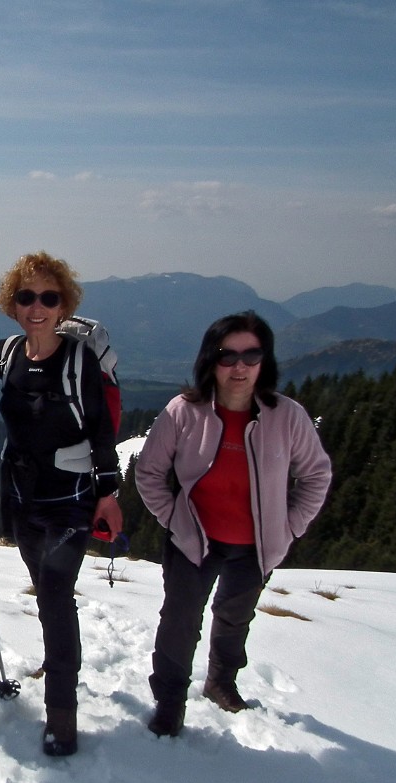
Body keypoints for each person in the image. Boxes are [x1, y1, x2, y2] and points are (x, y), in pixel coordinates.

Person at [0, 254, 121, 757]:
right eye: (26, 297)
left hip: (70, 502)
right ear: (12, 304)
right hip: (23, 500)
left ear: (63, 305)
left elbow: (101, 432)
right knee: (47, 591)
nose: (37, 307)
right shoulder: (10, 353)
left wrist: (109, 495)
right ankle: (58, 661)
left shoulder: (80, 361)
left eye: (48, 298)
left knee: (56, 595)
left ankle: (62, 716)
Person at [133, 311, 332, 737]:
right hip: (193, 540)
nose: (239, 366)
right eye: (228, 356)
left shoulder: (287, 417)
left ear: (265, 361)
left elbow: (316, 475)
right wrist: (174, 518)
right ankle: (169, 699)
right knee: (180, 620)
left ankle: (221, 682)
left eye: (251, 354)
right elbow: (149, 472)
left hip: (256, 545)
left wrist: (289, 527)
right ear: (211, 360)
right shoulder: (184, 412)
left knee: (235, 615)